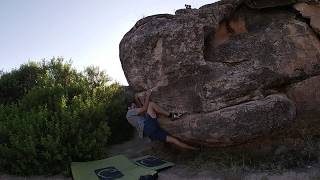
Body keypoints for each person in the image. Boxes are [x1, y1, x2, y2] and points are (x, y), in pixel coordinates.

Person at [126, 90, 196, 150]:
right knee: (151, 104)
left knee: (174, 140)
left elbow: (142, 109)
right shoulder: (129, 112)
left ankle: (195, 149)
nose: (135, 108)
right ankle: (171, 115)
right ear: (129, 108)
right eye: (133, 107)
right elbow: (144, 108)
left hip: (151, 133)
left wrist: (137, 99)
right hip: (148, 126)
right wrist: (147, 95)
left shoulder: (133, 117)